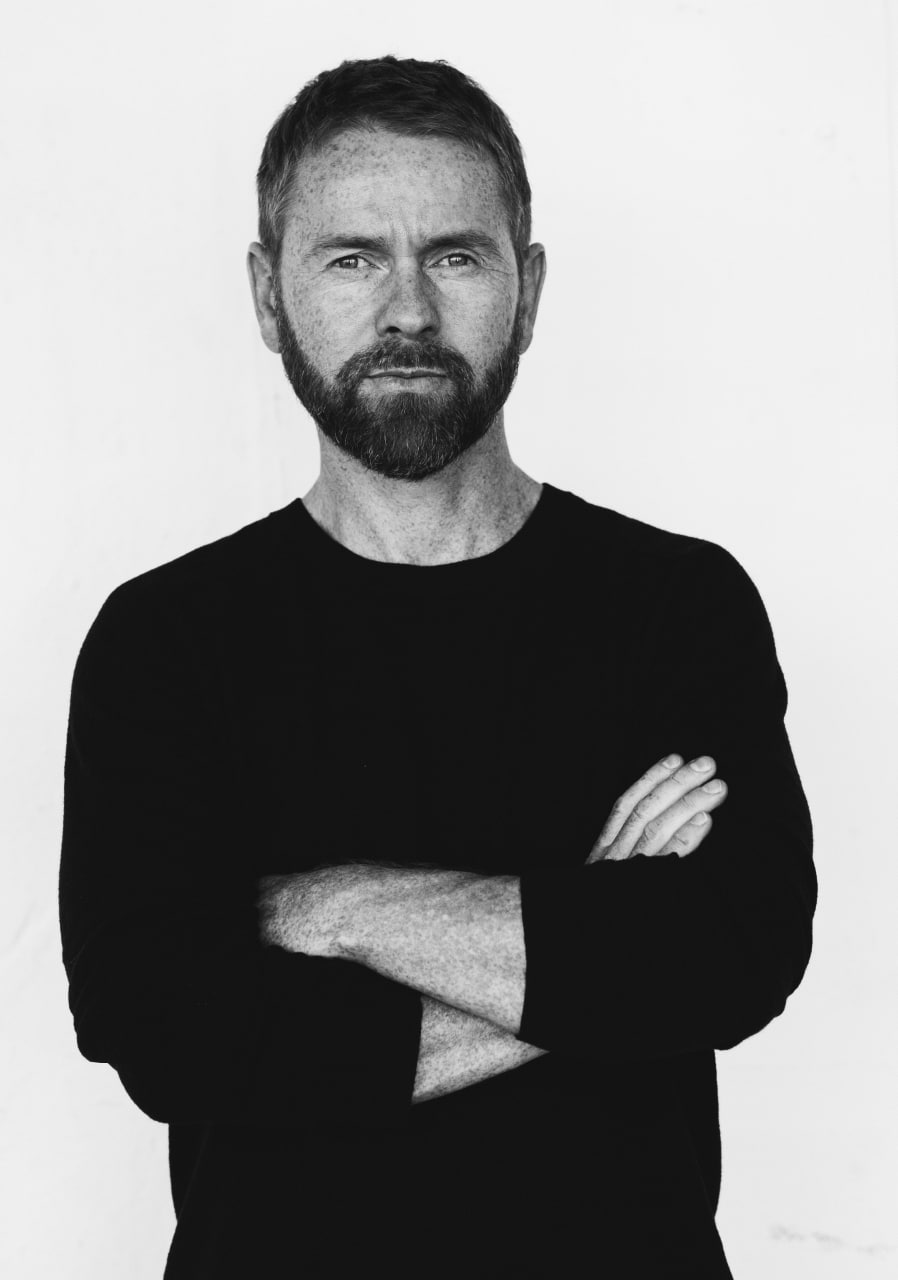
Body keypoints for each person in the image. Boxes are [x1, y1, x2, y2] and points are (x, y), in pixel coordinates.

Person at [59, 56, 816, 1279]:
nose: (406, 308)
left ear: (528, 289)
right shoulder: (167, 639)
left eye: (455, 255)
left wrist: (326, 907)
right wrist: (589, 929)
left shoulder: (677, 604)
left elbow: (734, 951)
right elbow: (165, 1027)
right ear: (266, 293)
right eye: (352, 257)